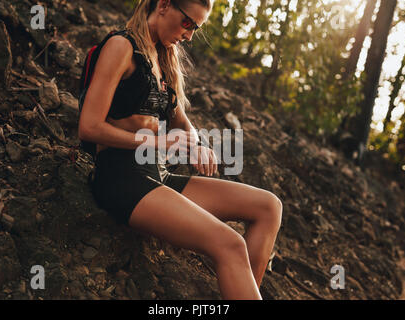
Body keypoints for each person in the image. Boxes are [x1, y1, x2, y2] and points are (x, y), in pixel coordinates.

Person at [78, 0, 283, 300]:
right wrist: (158, 142)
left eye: (195, 29)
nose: (189, 35)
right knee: (231, 244)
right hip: (121, 179)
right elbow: (89, 127)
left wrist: (198, 146)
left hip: (157, 175)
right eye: (187, 23)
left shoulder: (163, 58)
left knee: (269, 207)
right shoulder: (120, 46)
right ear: (162, 5)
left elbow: (180, 120)